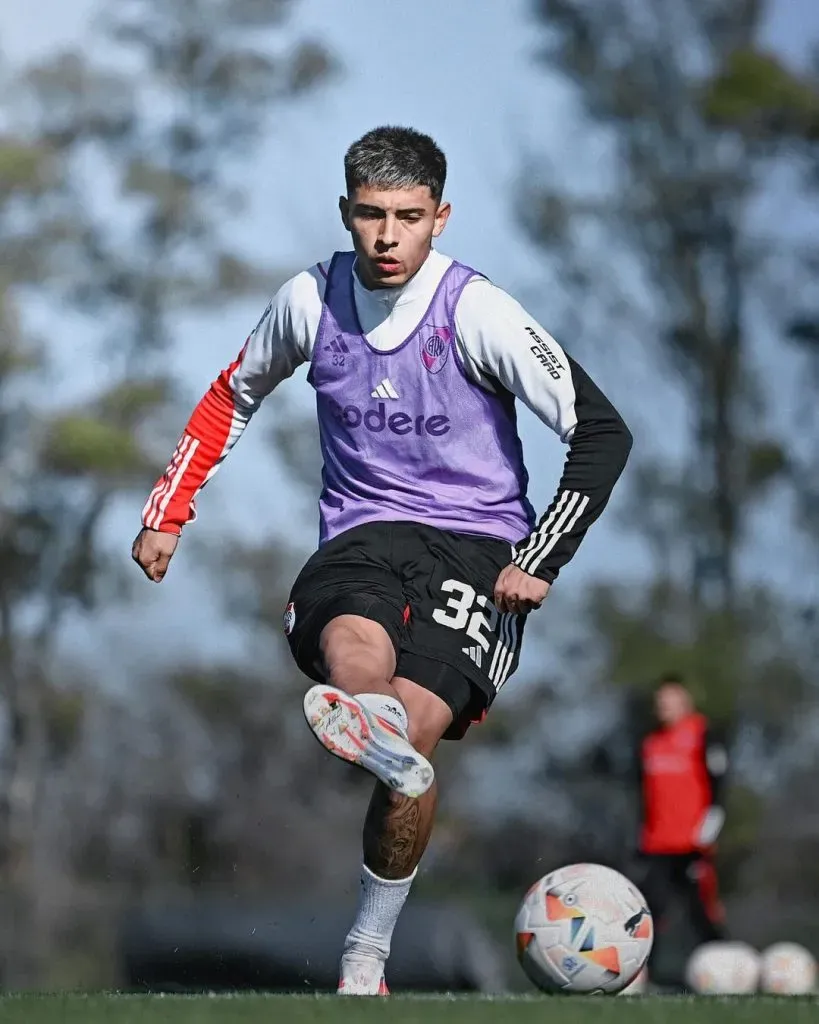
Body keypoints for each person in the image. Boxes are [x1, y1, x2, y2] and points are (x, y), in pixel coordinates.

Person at [131, 126, 633, 995]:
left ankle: (366, 950)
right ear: (346, 213)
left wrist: (542, 556)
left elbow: (600, 431)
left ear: (440, 217)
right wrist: (169, 509)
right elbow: (231, 394)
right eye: (370, 216)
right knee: (355, 646)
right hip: (359, 535)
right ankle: (367, 719)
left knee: (420, 737)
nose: (388, 236)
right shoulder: (309, 300)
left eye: (408, 217)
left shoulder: (475, 310)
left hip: (477, 551)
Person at [637, 675, 729, 968]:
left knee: (700, 910)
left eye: (670, 700)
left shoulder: (703, 734)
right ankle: (639, 972)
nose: (664, 707)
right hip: (656, 843)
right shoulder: (651, 743)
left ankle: (724, 965)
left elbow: (719, 785)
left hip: (691, 843)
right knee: (649, 909)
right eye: (660, 702)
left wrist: (707, 833)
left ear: (685, 702)